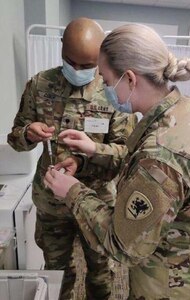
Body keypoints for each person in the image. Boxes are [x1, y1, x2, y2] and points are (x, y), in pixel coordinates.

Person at [44, 23, 190, 299]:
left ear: (129, 79)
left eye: (105, 81)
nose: (104, 89)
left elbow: (123, 245)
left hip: (170, 288)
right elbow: (144, 162)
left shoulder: (159, 158)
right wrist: (94, 149)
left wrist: (73, 191)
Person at [7, 18, 137, 300]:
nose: (77, 70)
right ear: (62, 50)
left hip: (96, 202)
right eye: (71, 62)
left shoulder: (114, 91)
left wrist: (85, 161)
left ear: (100, 59)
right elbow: (15, 138)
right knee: (56, 272)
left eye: (87, 65)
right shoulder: (40, 84)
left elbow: (124, 155)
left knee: (101, 272)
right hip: (52, 203)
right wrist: (28, 133)